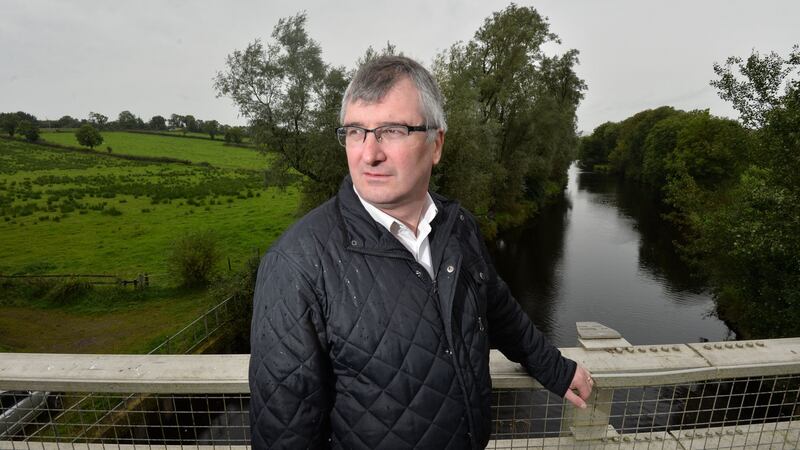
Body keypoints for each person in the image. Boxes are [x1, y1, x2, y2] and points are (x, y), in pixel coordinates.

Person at [249, 55, 593, 449]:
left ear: (436, 144)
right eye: (356, 131)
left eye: (392, 131)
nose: (369, 154)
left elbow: (497, 309)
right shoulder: (297, 265)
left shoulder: (457, 226)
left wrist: (554, 369)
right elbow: (285, 430)